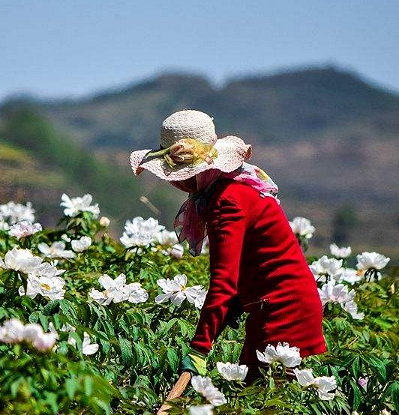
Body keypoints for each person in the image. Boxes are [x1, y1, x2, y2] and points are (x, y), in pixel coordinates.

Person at [130, 110, 326, 382]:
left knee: (264, 402)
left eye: (174, 175)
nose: (174, 183)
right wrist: (233, 305)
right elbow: (254, 259)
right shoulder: (235, 186)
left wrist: (199, 349)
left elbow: (224, 282)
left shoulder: (226, 202)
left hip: (283, 310)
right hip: (280, 301)